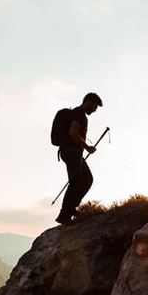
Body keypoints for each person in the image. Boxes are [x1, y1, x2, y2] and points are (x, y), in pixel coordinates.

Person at [56, 92, 103, 224]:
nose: (94, 110)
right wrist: (87, 147)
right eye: (95, 106)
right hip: (71, 152)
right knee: (76, 181)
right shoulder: (79, 114)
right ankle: (64, 214)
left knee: (87, 179)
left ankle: (70, 209)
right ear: (89, 102)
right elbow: (73, 132)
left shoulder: (78, 114)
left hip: (72, 152)